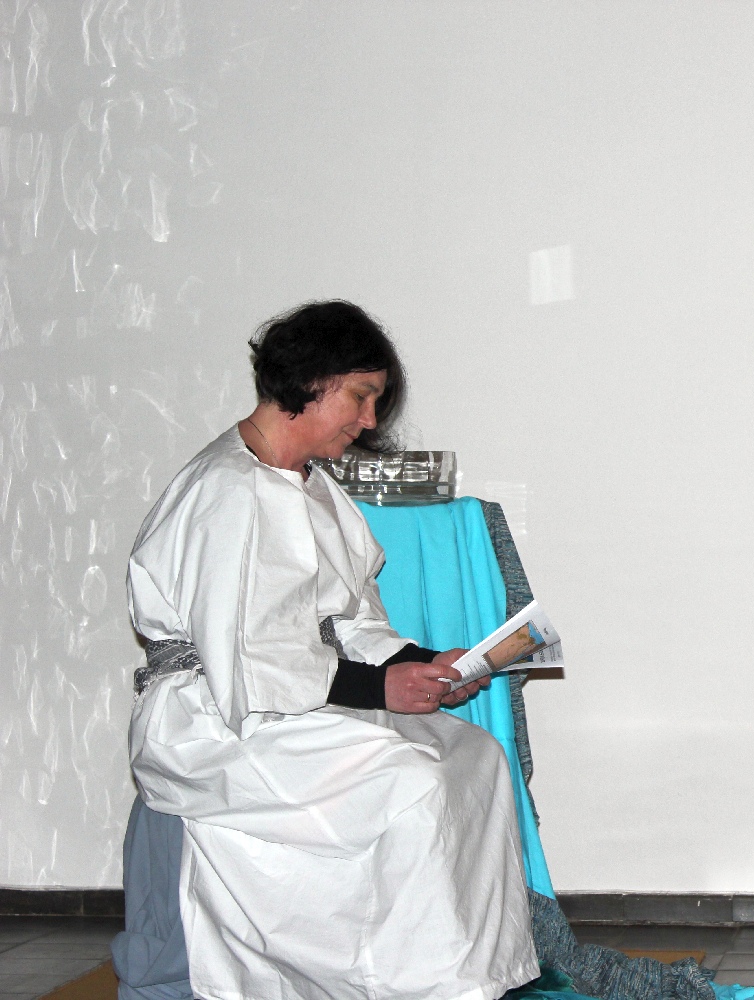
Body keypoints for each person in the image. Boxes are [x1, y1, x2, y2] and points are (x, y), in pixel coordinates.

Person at [124, 301, 538, 1000]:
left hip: (294, 698)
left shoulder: (311, 487)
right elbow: (247, 659)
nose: (369, 421)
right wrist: (379, 690)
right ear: (309, 381)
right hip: (216, 721)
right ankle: (401, 980)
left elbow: (349, 621)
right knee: (412, 785)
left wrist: (422, 662)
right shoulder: (228, 491)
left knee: (476, 758)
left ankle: (464, 979)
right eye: (361, 396)